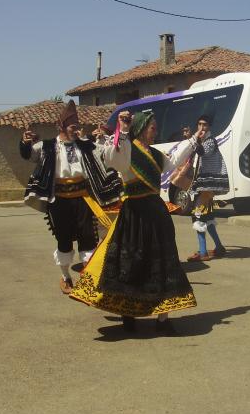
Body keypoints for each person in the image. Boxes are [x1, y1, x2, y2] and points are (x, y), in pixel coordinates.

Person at [70, 110, 202, 334]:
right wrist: (123, 130)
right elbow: (115, 160)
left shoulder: (156, 154)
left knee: (163, 263)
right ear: (141, 129)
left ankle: (163, 318)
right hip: (134, 215)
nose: (155, 132)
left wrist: (194, 139)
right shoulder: (128, 150)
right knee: (131, 263)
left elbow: (174, 162)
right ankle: (128, 313)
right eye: (152, 128)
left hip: (156, 214)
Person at [19, 100, 122, 294]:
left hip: (83, 199)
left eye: (77, 126)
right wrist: (25, 142)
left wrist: (109, 139)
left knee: (88, 239)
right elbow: (28, 155)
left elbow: (106, 153)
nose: (76, 130)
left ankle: (89, 278)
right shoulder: (47, 146)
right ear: (61, 126)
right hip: (58, 201)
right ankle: (66, 277)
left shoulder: (86, 145)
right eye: (73, 127)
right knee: (64, 240)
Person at [187, 115, 229, 262]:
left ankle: (203, 252)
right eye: (199, 124)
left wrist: (191, 138)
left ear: (209, 126)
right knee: (208, 216)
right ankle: (219, 247)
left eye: (204, 125)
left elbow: (202, 151)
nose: (201, 127)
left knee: (198, 216)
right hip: (206, 186)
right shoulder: (204, 140)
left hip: (208, 185)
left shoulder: (210, 141)